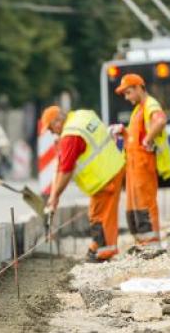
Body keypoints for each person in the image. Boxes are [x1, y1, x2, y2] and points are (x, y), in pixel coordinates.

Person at [42, 106, 126, 262]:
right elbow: (62, 165)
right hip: (113, 167)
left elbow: (66, 171)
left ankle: (103, 252)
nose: (51, 132)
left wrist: (55, 197)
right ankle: (98, 248)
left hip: (104, 177)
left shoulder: (70, 136)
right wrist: (54, 195)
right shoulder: (82, 115)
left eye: (50, 128)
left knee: (99, 216)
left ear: (58, 121)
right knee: (102, 213)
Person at [109, 74, 170, 246]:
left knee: (145, 205)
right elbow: (136, 135)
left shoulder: (150, 105)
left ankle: (152, 245)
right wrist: (123, 131)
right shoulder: (139, 109)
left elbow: (160, 121)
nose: (127, 97)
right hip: (134, 168)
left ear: (139, 88)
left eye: (128, 92)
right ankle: (143, 245)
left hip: (143, 166)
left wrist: (148, 140)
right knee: (134, 209)